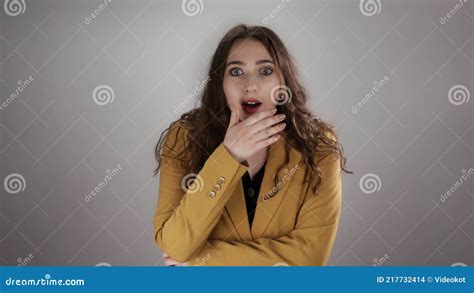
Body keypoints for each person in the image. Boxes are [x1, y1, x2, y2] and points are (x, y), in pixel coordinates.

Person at [152, 24, 352, 266]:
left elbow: (309, 259)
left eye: (266, 71)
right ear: (220, 83)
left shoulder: (318, 145)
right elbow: (175, 244)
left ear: (283, 82)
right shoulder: (184, 138)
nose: (250, 85)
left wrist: (199, 263)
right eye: (236, 72)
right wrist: (229, 156)